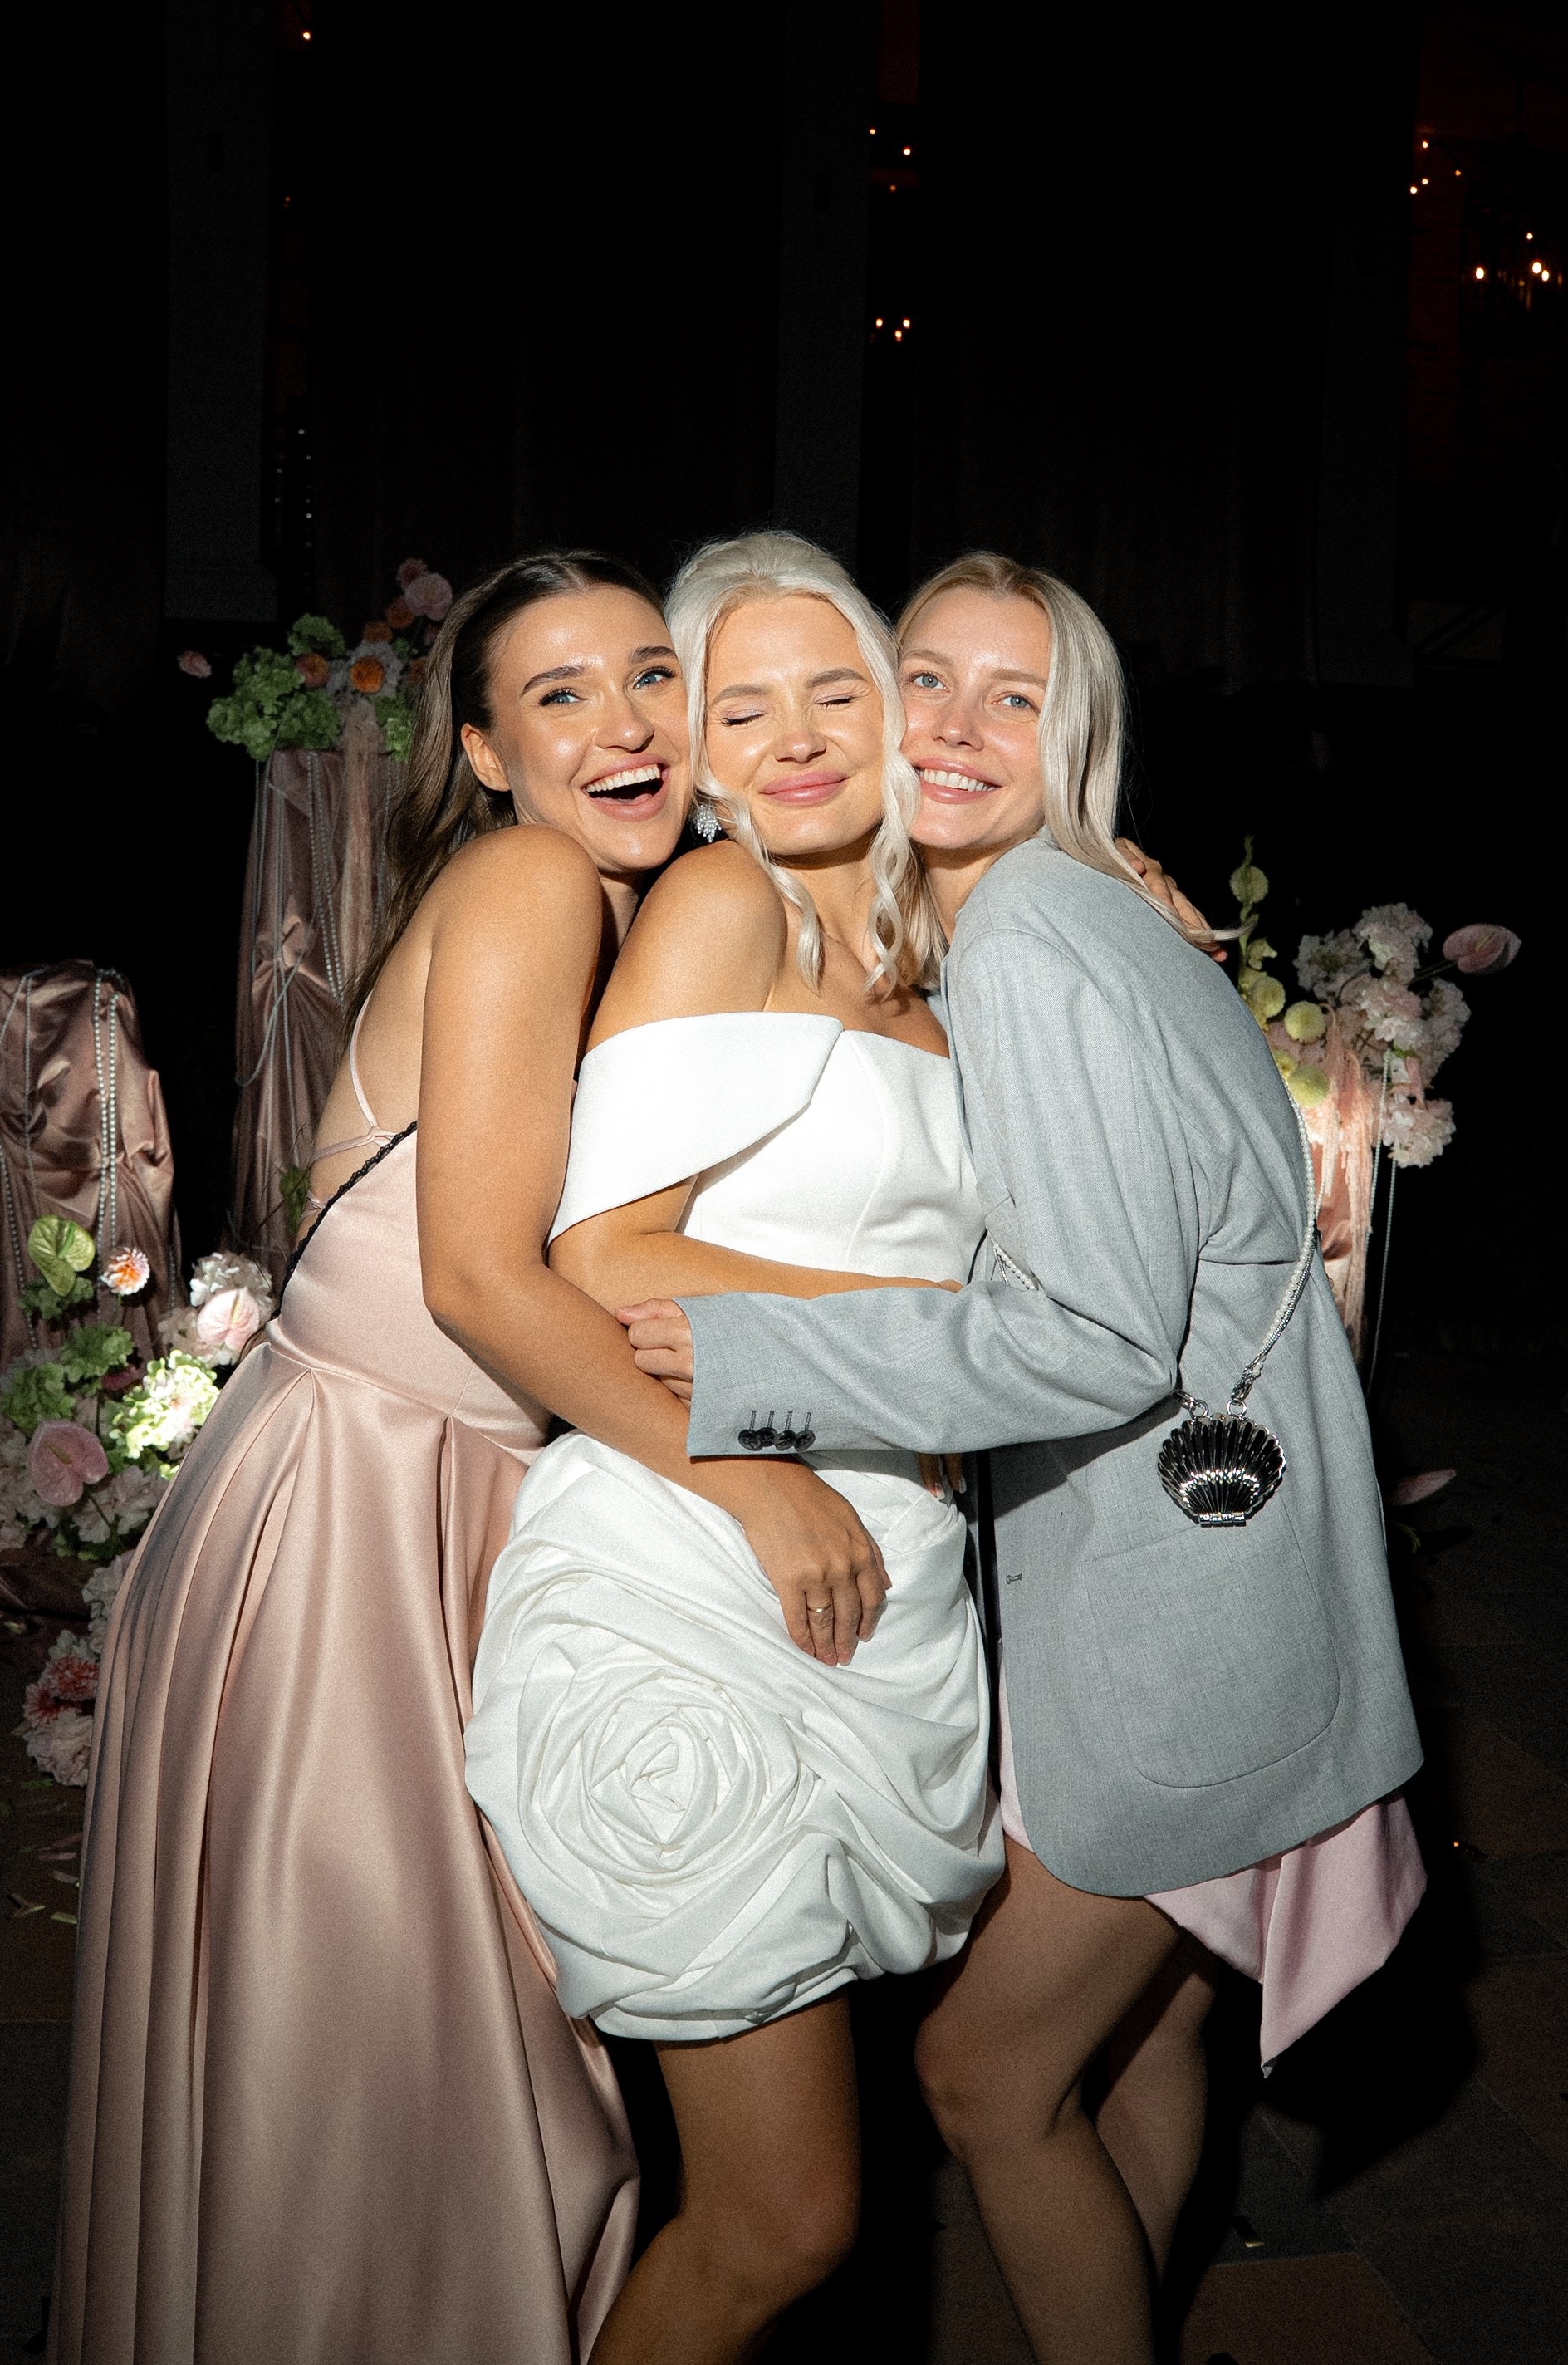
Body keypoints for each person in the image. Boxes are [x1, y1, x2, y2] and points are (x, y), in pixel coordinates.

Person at [53, 550, 885, 2365]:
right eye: (559, 695)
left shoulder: (648, 918)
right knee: (395, 2069)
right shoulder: (528, 880)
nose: (623, 724)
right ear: (490, 754)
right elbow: (483, 1283)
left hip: (441, 1486)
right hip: (358, 1510)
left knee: (432, 2065)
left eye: (650, 676)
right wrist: (747, 1479)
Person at [625, 552, 1426, 2365]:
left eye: (1017, 695)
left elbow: (1092, 1338)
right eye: (928, 678)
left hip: (1180, 1625)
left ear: (1077, 737)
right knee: (1143, 2037)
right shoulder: (1085, 911)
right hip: (1243, 1574)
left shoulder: (1036, 943)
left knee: (984, 2079)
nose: (960, 728)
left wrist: (758, 1356)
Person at [464, 532, 1007, 2365]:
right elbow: (604, 1255)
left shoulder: (947, 948)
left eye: (834, 691)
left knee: (800, 2212)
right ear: (693, 747)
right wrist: (953, 1337)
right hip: (693, 1576)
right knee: (785, 2221)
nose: (795, 740)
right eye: (739, 705)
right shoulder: (723, 906)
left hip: (884, 1581)